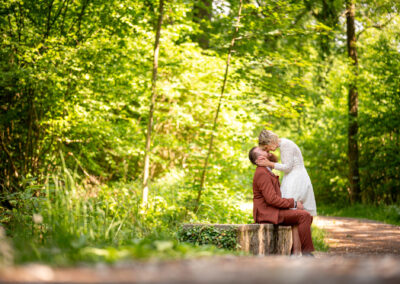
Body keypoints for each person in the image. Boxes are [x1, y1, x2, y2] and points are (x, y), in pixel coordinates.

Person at [249, 146, 315, 255]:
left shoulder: (267, 170)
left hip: (273, 211)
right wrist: (293, 203)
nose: (265, 148)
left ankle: (295, 253)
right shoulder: (262, 173)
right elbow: (272, 199)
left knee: (305, 216)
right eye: (261, 150)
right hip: (267, 213)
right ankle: (306, 253)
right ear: (258, 160)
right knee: (304, 216)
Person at [256, 130, 317, 216]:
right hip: (292, 177)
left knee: (293, 211)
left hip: (296, 179)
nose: (268, 151)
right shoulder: (283, 144)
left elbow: (288, 167)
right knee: (293, 211)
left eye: (266, 148)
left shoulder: (285, 145)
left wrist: (269, 163)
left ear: (270, 141)